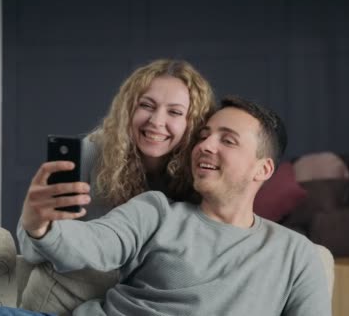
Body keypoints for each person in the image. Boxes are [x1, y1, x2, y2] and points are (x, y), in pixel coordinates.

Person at [19, 96, 331, 315]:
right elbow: (94, 243)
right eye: (205, 136)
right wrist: (41, 225)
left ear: (262, 169)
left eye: (228, 140)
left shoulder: (296, 254)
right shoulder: (156, 212)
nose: (205, 146)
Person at [18, 58, 216, 312]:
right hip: (75, 286)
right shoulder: (91, 153)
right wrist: (39, 225)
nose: (156, 121)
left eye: (175, 112)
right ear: (127, 110)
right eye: (146, 105)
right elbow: (29, 248)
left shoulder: (201, 174)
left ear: (195, 123)